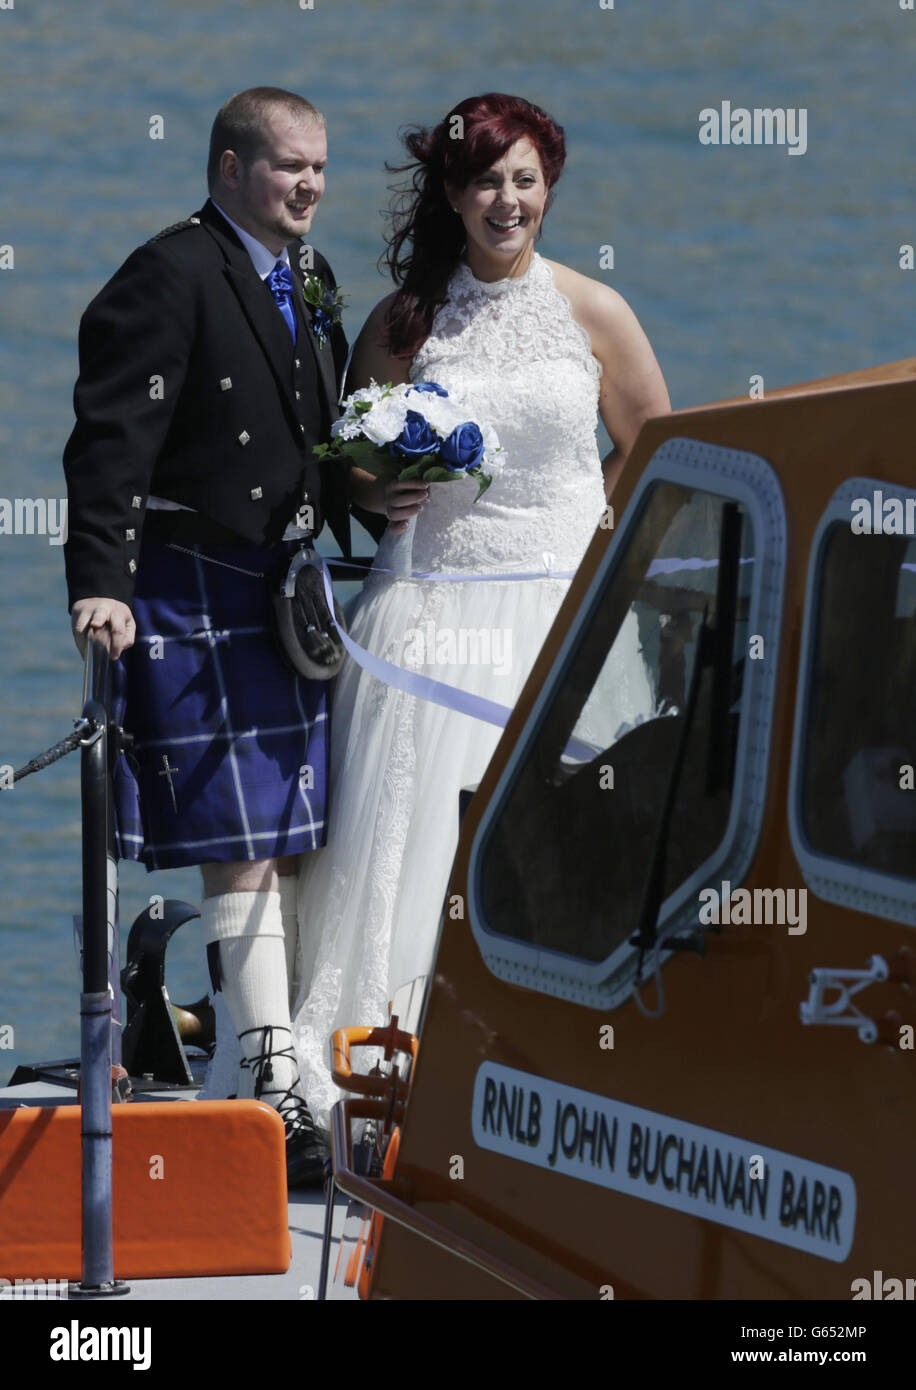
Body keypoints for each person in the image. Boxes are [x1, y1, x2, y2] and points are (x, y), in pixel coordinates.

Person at [290, 93, 671, 1129]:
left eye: (525, 181)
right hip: (428, 608)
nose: (507, 200)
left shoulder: (592, 310)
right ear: (452, 194)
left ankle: (563, 1064)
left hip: (558, 609)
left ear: (548, 189)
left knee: (563, 834)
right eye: (486, 181)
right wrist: (382, 494)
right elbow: (357, 469)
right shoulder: (406, 322)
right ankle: (397, 1063)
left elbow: (651, 444)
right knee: (412, 842)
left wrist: (586, 542)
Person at [62, 87, 363, 1186]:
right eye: (290, 167)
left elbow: (317, 431)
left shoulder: (311, 278)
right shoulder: (170, 272)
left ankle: (233, 1039)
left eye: (320, 168)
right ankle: (266, 1068)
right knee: (243, 832)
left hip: (284, 577)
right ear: (229, 168)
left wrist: (385, 504)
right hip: (193, 578)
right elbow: (106, 443)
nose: (310, 186)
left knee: (290, 827)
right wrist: (101, 583)